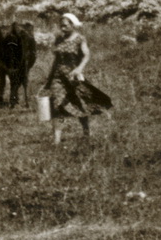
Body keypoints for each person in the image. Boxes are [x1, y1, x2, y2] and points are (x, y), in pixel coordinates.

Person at [42, 13, 112, 143]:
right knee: (58, 106)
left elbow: (86, 55)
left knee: (80, 105)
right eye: (61, 26)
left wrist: (79, 68)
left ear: (73, 25)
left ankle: (86, 132)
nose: (62, 28)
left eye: (65, 26)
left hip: (74, 77)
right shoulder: (59, 39)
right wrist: (49, 80)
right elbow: (56, 61)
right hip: (58, 78)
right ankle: (57, 140)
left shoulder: (80, 39)